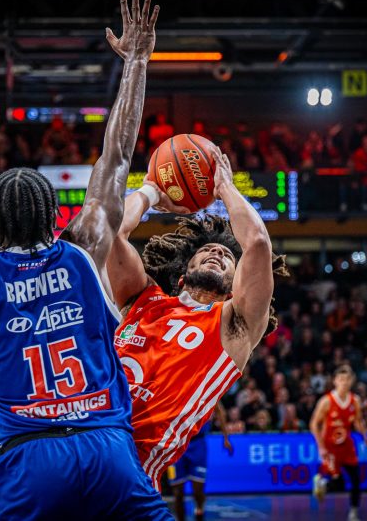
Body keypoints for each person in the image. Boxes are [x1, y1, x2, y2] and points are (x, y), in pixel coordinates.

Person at [0, 0, 170, 519]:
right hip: (107, 448)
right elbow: (117, 157)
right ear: (54, 216)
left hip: (30, 460)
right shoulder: (85, 249)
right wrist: (137, 60)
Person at [106, 143, 286, 488]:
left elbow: (257, 243)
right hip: (79, 434)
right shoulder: (144, 299)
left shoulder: (235, 324)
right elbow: (113, 232)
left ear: (234, 287)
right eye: (207, 250)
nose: (217, 251)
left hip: (130, 466)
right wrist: (150, 190)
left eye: (227, 257)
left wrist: (225, 188)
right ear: (182, 276)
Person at [309, 365, 367, 521]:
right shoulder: (326, 401)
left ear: (351, 381)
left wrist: (364, 436)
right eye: (341, 379)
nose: (344, 382)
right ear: (335, 381)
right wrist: (321, 447)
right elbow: (313, 424)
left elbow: (357, 421)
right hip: (330, 448)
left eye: (347, 379)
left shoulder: (355, 400)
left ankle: (353, 512)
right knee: (339, 484)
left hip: (347, 446)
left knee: (356, 480)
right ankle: (322, 483)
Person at [168, 404, 233, 521]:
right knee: (177, 492)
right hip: (176, 445)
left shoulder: (204, 392)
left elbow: (220, 411)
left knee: (198, 490)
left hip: (197, 445)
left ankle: (199, 514)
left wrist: (226, 437)